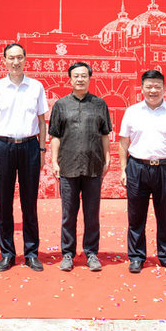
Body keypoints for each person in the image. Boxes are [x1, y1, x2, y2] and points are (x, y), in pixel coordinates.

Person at [0, 43, 49, 272]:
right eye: (11, 58)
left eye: (19, 57)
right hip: (3, 146)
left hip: (30, 146)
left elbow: (42, 122)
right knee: (4, 203)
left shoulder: (36, 87)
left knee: (30, 203)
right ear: (4, 61)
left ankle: (31, 253)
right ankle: (7, 254)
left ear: (25, 59)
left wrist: (42, 150)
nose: (15, 62)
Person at [119, 69, 166, 274]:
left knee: (165, 216)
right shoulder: (132, 111)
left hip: (165, 169)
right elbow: (123, 143)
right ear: (142, 88)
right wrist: (123, 170)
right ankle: (136, 256)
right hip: (137, 167)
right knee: (136, 216)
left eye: (157, 87)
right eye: (149, 86)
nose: (153, 90)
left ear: (164, 89)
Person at [48, 62, 113, 272]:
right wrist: (54, 161)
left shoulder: (99, 104)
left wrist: (108, 157)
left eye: (84, 75)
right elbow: (55, 136)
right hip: (68, 166)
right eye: (76, 76)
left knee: (92, 214)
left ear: (90, 78)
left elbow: (104, 134)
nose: (80, 79)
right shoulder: (61, 105)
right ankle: (67, 253)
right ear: (70, 79)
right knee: (69, 214)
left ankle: (91, 253)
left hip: (93, 166)